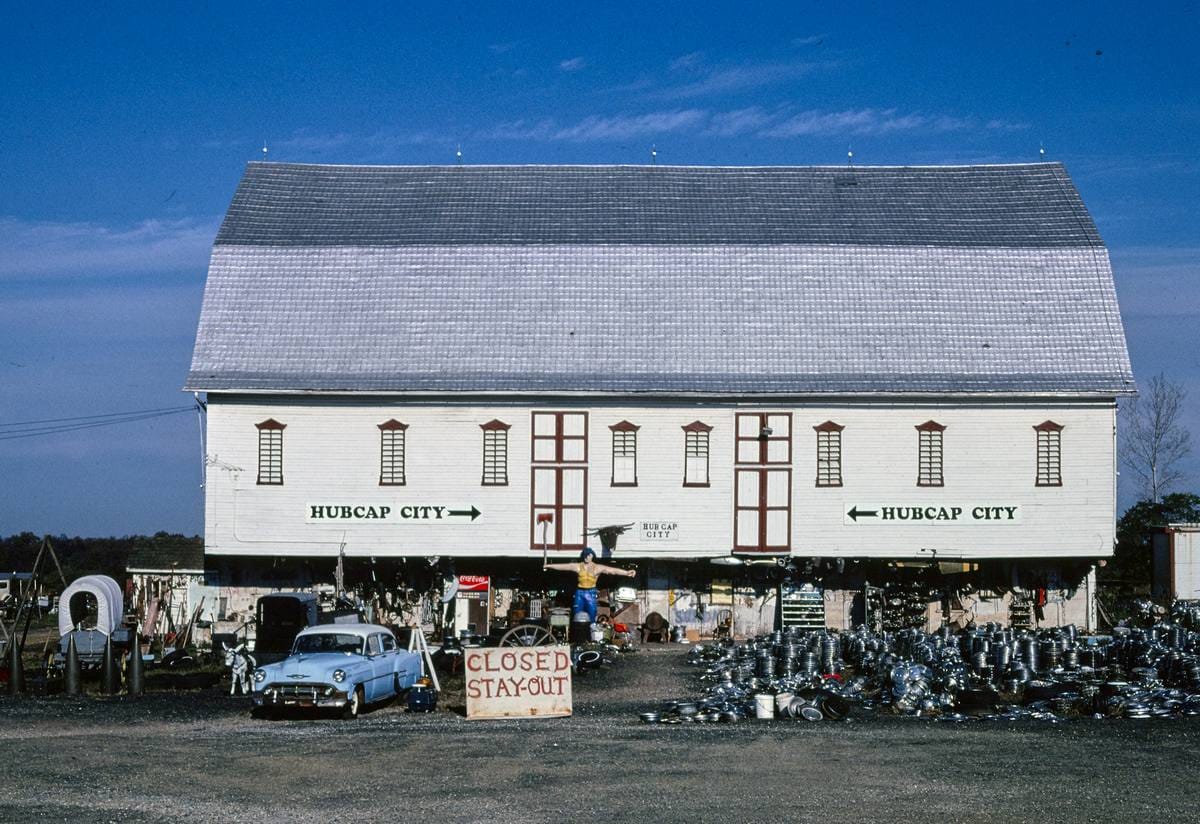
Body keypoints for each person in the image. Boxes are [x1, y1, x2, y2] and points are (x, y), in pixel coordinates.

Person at [544, 547, 636, 624]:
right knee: (576, 615)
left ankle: (591, 637)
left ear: (592, 556)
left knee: (591, 615)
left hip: (590, 592)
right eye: (585, 555)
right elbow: (564, 566)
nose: (587, 558)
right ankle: (577, 635)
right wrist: (549, 565)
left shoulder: (597, 567)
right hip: (580, 592)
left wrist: (626, 572)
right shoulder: (578, 566)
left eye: (589, 555)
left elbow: (613, 570)